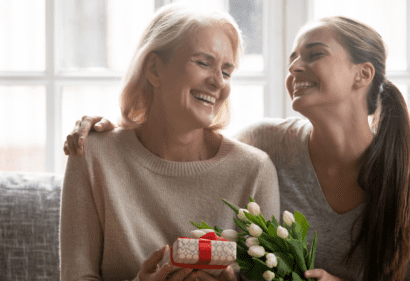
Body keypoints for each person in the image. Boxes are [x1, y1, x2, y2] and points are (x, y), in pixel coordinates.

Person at [64, 16, 410, 281]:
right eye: (293, 56)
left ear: (362, 74)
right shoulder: (266, 147)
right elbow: (186, 142)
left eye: (313, 54)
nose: (294, 66)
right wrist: (113, 130)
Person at [59, 4, 280, 281]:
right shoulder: (91, 155)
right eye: (203, 63)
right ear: (153, 69)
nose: (217, 82)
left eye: (226, 71)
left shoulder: (255, 170)